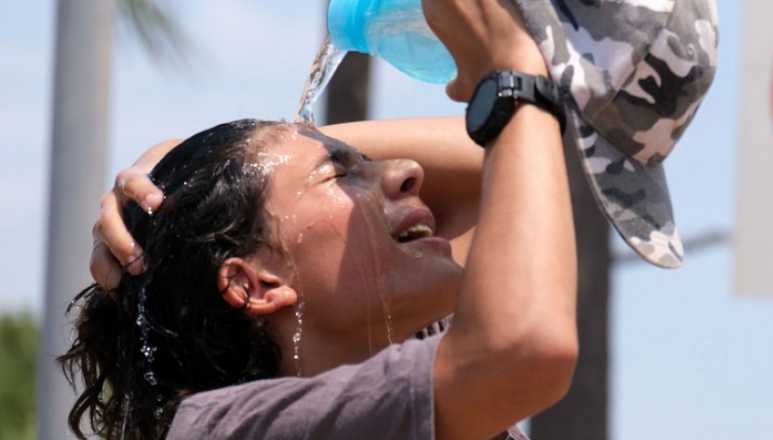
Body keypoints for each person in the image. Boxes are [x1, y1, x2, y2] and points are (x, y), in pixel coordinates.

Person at [71, 0, 718, 438]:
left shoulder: (386, 348)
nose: (405, 171)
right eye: (343, 174)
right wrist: (514, 73)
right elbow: (526, 346)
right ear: (255, 282)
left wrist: (217, 159)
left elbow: (516, 155)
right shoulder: (227, 428)